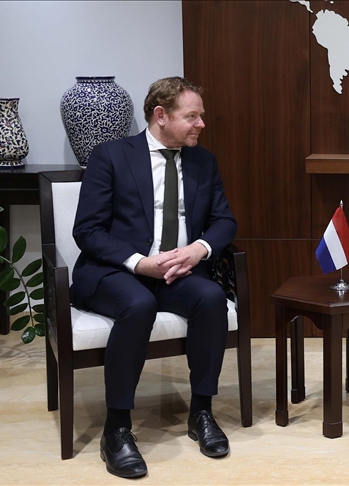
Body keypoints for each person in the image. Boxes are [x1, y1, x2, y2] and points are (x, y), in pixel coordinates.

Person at [71, 77, 237, 479]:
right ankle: (117, 429)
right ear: (161, 115)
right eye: (192, 116)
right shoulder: (111, 156)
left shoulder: (203, 161)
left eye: (201, 115)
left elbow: (224, 221)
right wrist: (138, 263)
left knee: (211, 297)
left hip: (177, 272)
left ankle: (201, 412)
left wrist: (198, 249)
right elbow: (87, 230)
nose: (201, 124)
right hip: (116, 271)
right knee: (138, 304)